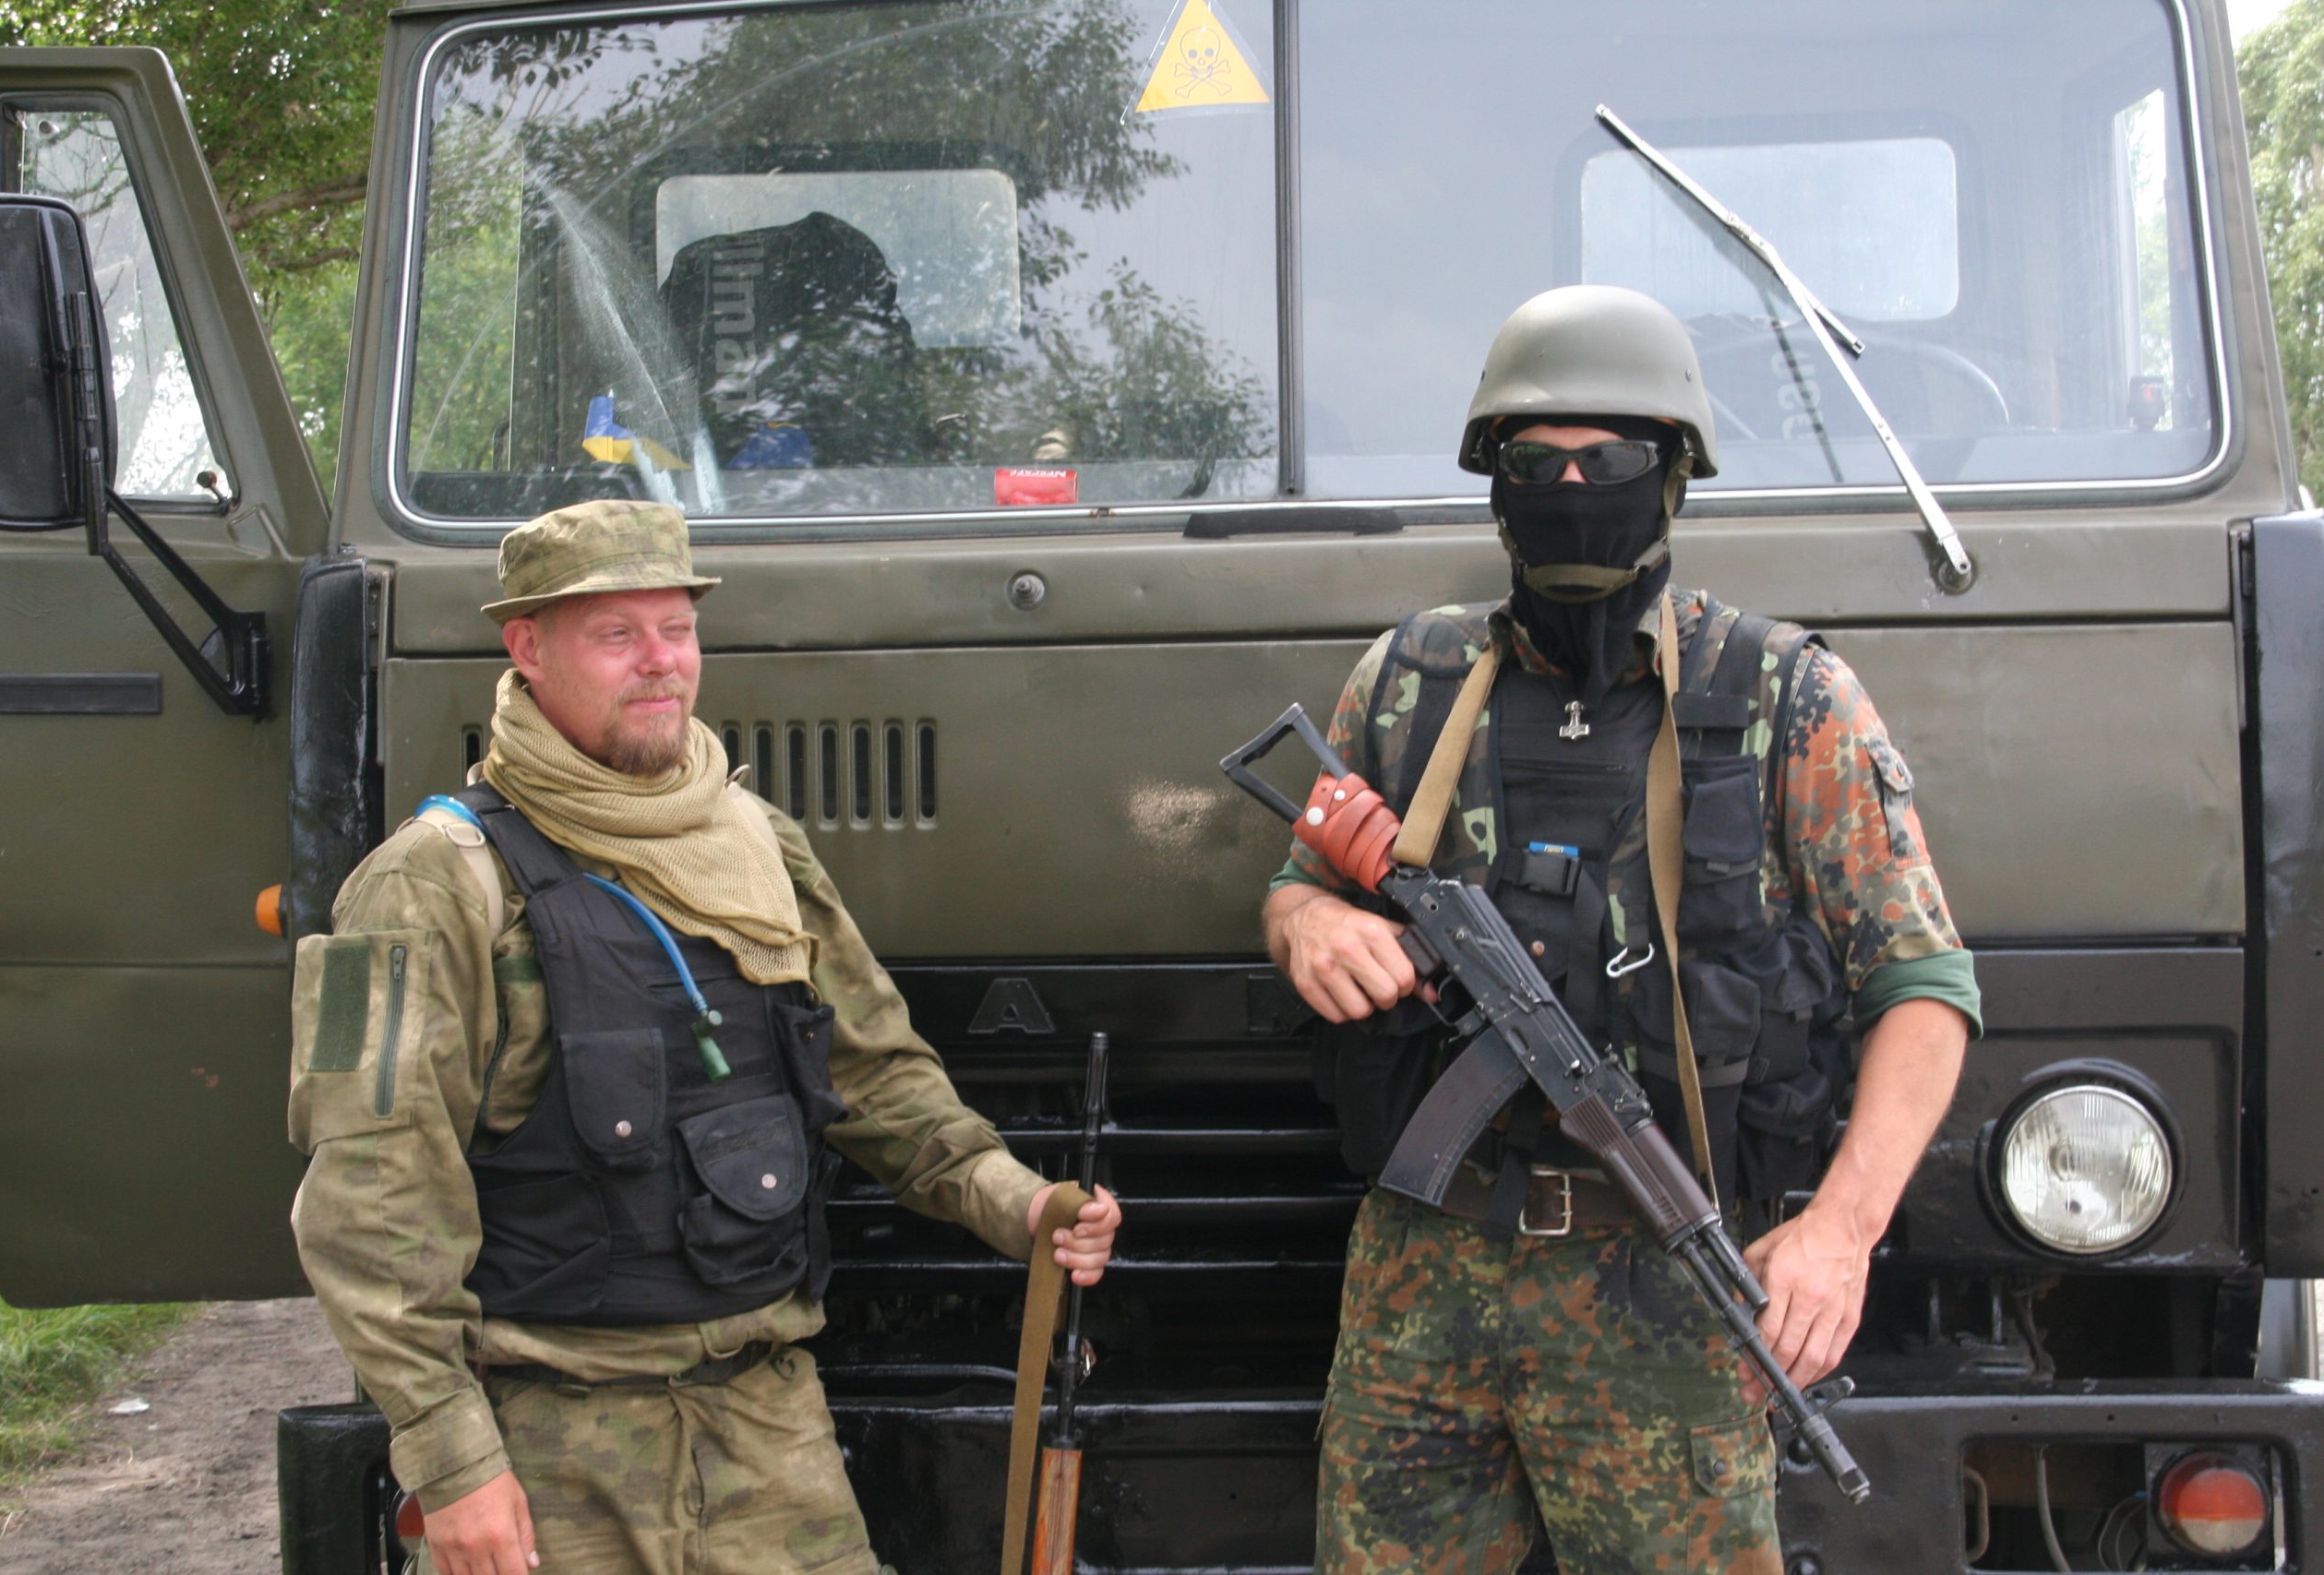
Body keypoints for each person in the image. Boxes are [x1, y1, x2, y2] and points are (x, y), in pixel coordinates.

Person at [1263, 285, 1976, 1574]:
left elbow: (1922, 985)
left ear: (1674, 476)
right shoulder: (1411, 680)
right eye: (1538, 464)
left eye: (1611, 460)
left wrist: (1840, 1230)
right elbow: (1301, 877)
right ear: (1495, 484)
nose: (1574, 488)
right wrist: (1306, 921)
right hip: (1423, 1272)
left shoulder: (1783, 696)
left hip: (1670, 1279)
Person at [287, 498, 1120, 1575]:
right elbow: (370, 1196)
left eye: (676, 629)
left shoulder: (758, 845)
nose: (660, 662)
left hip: (768, 1430)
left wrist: (1020, 1203)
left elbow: (873, 1074)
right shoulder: (428, 883)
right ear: (527, 649)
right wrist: (451, 1461)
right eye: (616, 634)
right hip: (548, 1449)